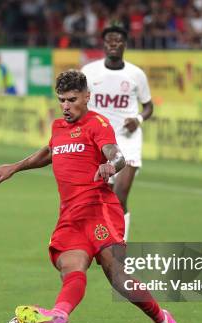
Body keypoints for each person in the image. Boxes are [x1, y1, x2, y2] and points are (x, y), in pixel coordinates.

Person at [0, 70, 187, 323]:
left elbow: (116, 153)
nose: (66, 106)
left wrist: (112, 165)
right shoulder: (58, 127)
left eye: (72, 99)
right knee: (71, 267)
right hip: (71, 216)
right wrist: (16, 167)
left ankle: (164, 322)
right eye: (61, 100)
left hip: (100, 210)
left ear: (87, 97)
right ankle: (60, 313)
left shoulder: (98, 123)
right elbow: (49, 153)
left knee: (118, 278)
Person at [81, 26, 153, 241]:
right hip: (101, 141)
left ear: (124, 45)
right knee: (104, 196)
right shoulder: (89, 72)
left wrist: (138, 119)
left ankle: (120, 244)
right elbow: (79, 102)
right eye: (109, 41)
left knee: (120, 195)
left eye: (118, 40)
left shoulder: (135, 74)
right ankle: (103, 240)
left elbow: (149, 106)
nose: (113, 44)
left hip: (128, 139)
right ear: (103, 45)